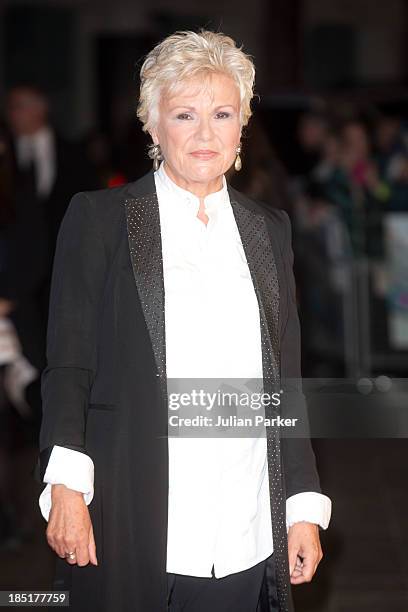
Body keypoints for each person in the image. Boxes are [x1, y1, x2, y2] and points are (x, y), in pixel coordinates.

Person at [37, 30, 332, 612]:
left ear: (243, 124)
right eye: (184, 114)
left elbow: (285, 381)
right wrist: (65, 484)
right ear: (152, 123)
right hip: (136, 510)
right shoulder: (101, 219)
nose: (205, 134)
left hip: (243, 520)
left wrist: (300, 504)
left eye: (222, 114)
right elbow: (69, 363)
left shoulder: (267, 228)